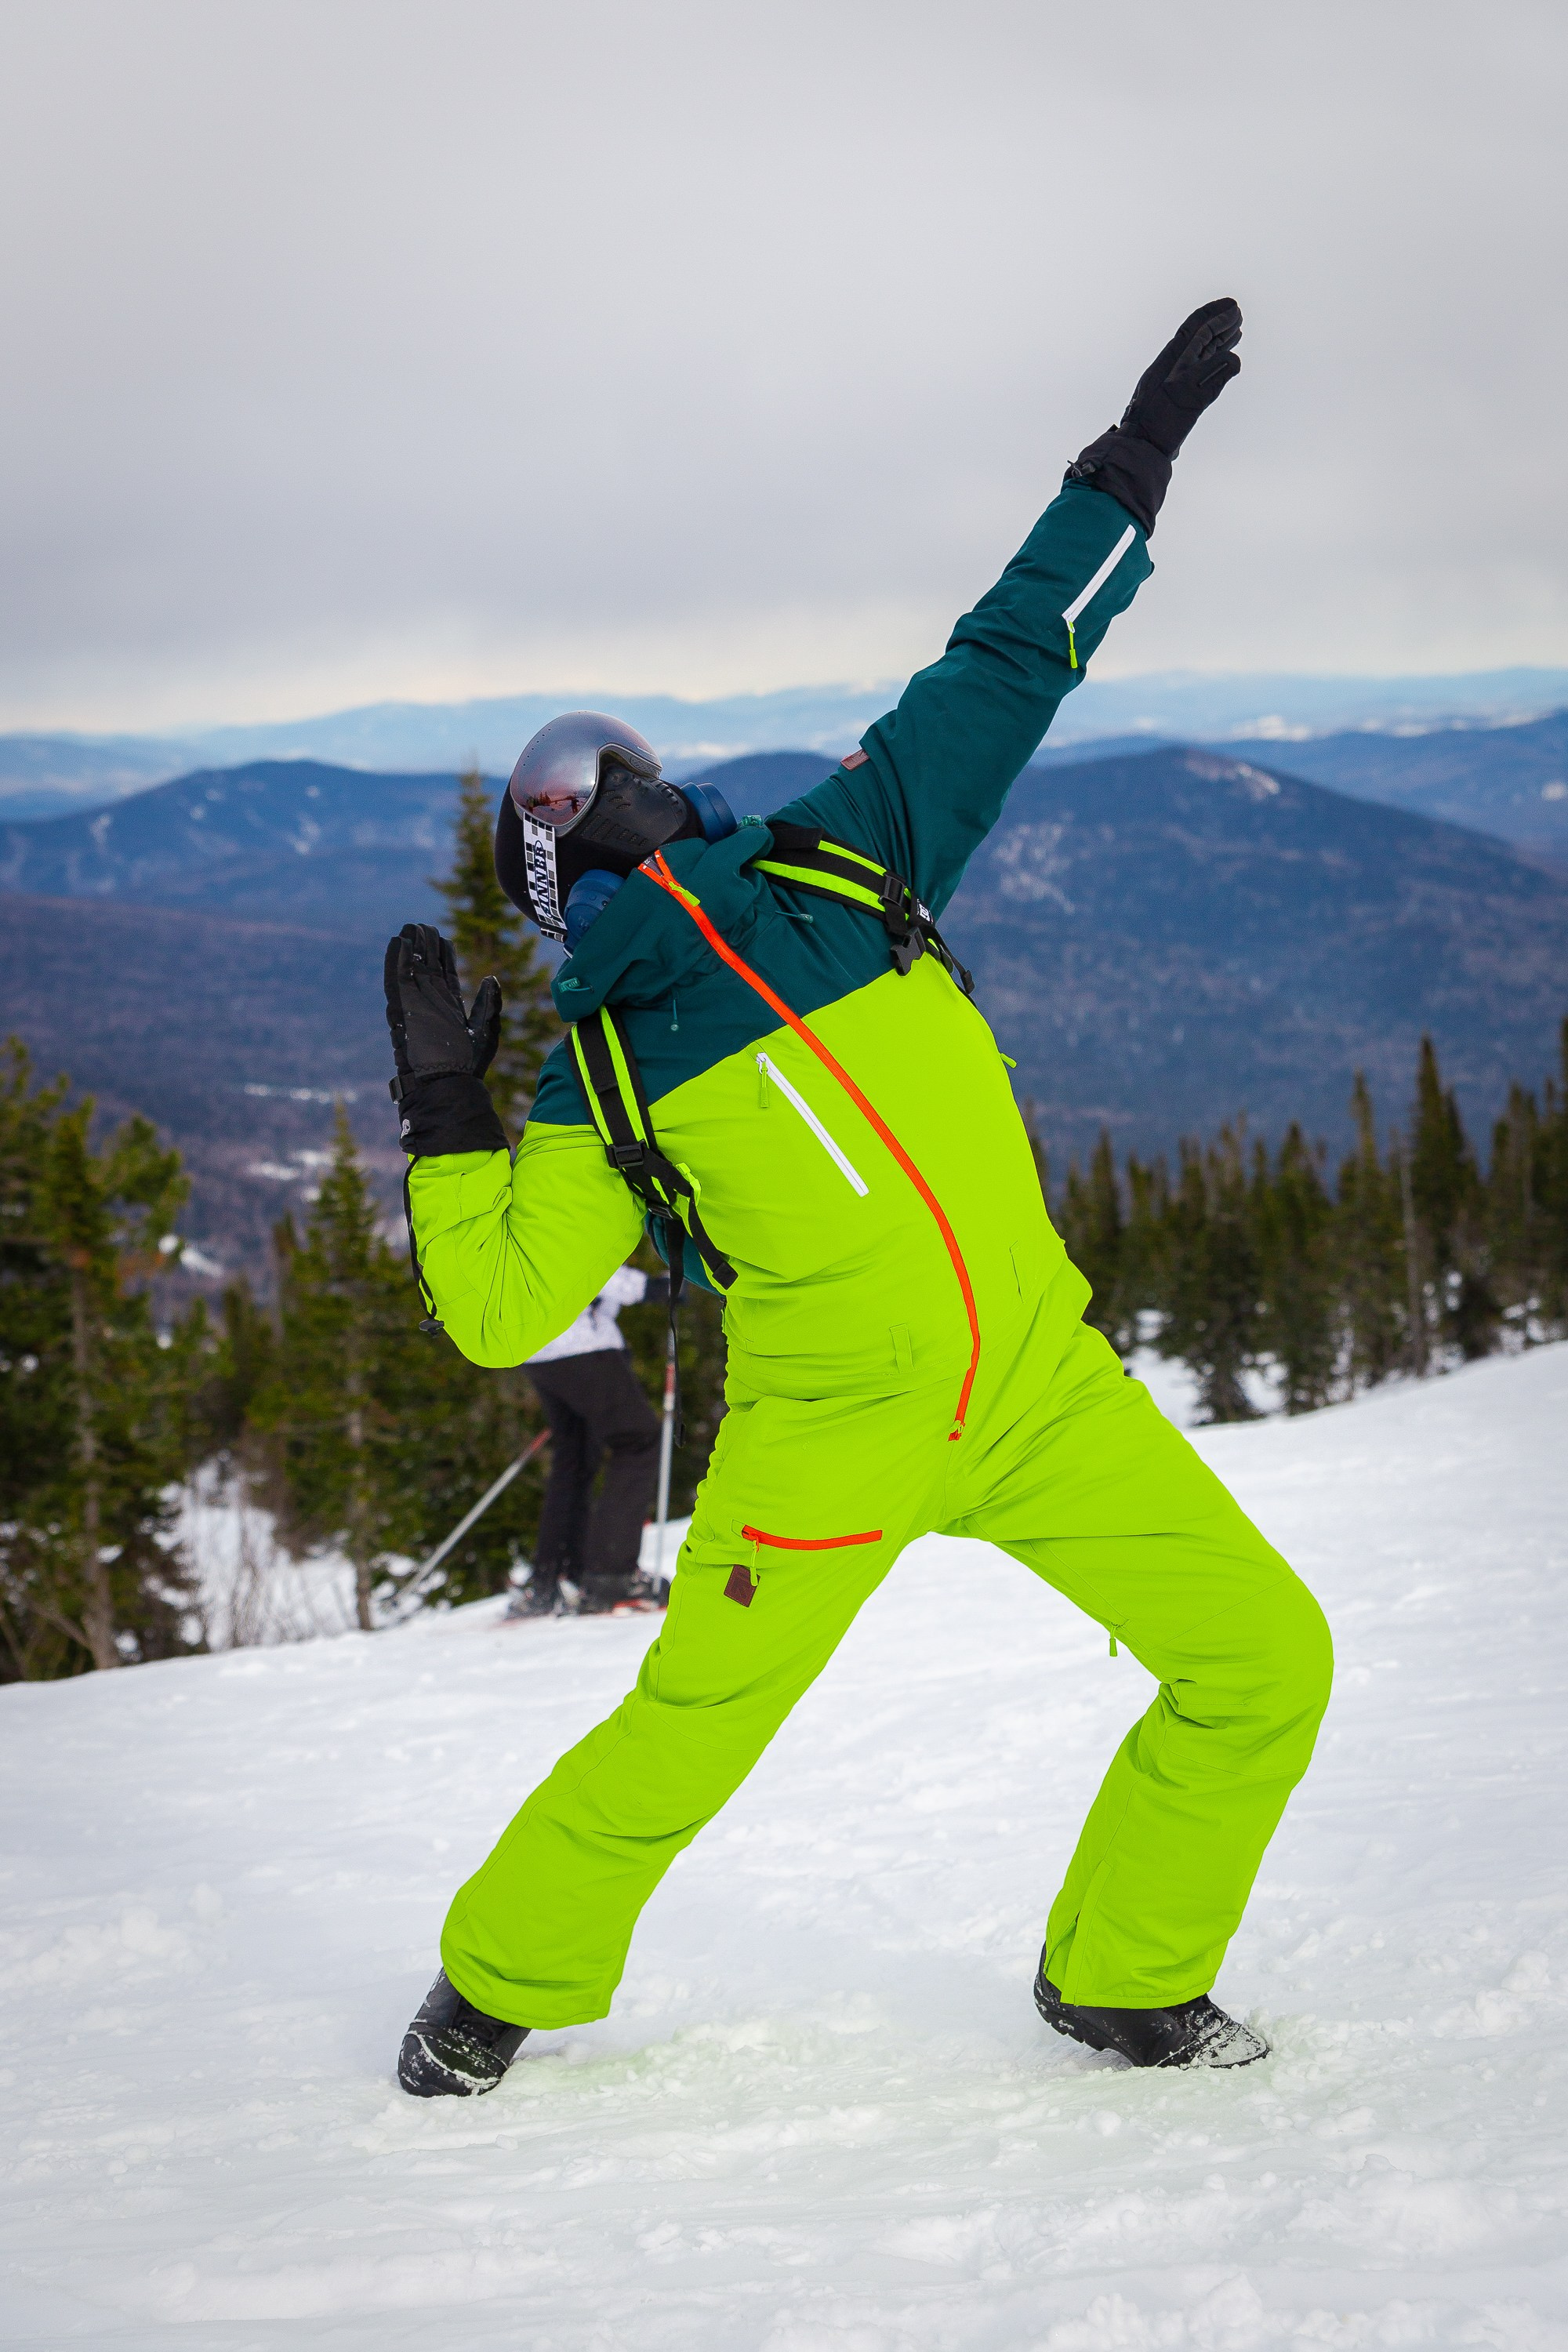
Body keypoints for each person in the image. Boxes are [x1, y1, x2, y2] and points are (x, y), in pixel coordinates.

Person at [383, 300, 1334, 2099]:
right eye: (570, 804)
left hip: (1044, 1392)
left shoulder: (847, 848)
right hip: (830, 1440)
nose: (600, 808)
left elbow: (1005, 658)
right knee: (693, 1725)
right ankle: (489, 1984)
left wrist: (1123, 469)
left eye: (597, 780)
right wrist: (444, 1116)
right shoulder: (601, 1061)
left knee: (1262, 1655)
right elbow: (504, 1312)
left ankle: (1126, 1976)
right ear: (566, 862)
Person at [509, 1261, 670, 1617]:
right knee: (638, 1440)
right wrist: (652, 1288)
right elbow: (588, 1259)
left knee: (577, 1455)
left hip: (537, 1344)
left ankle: (554, 1578)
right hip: (581, 1342)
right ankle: (612, 1575)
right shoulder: (564, 1209)